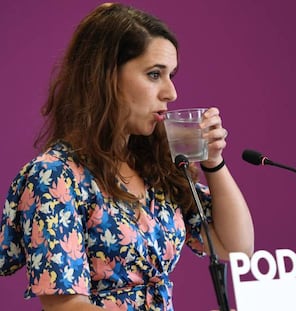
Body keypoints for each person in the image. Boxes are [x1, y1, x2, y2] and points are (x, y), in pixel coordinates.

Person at [0, 3, 254, 311]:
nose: (171, 92)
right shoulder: (54, 176)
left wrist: (213, 161)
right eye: (154, 74)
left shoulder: (155, 166)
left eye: (171, 75)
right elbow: (65, 306)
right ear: (105, 76)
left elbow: (236, 246)